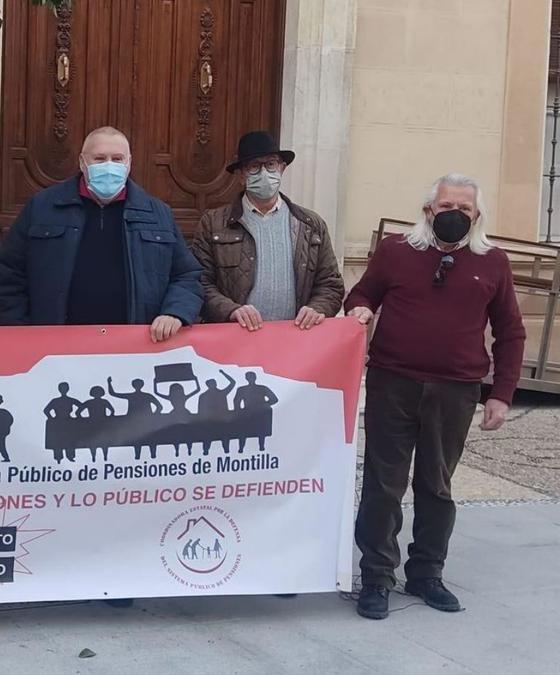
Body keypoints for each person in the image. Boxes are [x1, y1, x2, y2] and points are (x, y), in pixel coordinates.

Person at [346, 174, 525, 620]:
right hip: (393, 383)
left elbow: (510, 332)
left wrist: (500, 393)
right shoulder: (396, 252)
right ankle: (376, 578)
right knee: (383, 485)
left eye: (464, 209)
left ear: (477, 216)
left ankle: (426, 572)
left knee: (437, 486)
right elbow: (363, 292)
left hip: (456, 391)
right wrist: (359, 309)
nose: (454, 214)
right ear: (429, 210)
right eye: (447, 205)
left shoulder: (494, 262)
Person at [0, 126, 203, 341]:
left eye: (117, 159)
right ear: (82, 163)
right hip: (56, 351)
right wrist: (17, 332)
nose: (109, 166)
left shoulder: (158, 214)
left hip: (136, 348)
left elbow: (186, 275)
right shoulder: (43, 207)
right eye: (100, 159)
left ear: (129, 163)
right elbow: (8, 272)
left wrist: (175, 312)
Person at [192, 131, 344, 331]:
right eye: (254, 167)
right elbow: (198, 282)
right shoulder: (213, 223)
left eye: (271, 164)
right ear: (240, 176)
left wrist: (317, 308)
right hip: (234, 339)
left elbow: (330, 284)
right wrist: (230, 310)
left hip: (295, 341)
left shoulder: (311, 225)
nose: (265, 173)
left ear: (282, 168)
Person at [107, 377, 161, 460]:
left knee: (147, 438)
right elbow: (113, 393)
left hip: (143, 422)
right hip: (136, 423)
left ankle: (149, 454)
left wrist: (152, 416)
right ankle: (142, 455)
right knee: (141, 438)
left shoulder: (144, 396)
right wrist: (109, 383)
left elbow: (159, 407)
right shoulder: (142, 396)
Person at [43, 383, 81, 463]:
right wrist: (52, 418)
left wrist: (78, 414)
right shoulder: (55, 401)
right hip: (58, 423)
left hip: (68, 421)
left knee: (69, 439)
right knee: (58, 440)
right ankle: (58, 458)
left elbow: (82, 406)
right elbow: (46, 410)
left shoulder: (70, 400)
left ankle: (69, 456)